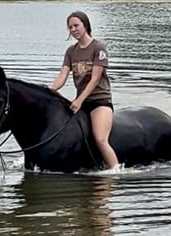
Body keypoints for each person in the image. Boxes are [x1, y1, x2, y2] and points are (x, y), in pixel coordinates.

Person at [48, 11, 121, 170]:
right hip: (81, 102)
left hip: (99, 101)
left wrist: (79, 101)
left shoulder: (98, 47)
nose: (73, 30)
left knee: (100, 139)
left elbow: (95, 79)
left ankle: (115, 170)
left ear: (85, 25)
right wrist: (48, 90)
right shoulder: (71, 52)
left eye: (76, 25)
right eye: (70, 27)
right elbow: (62, 75)